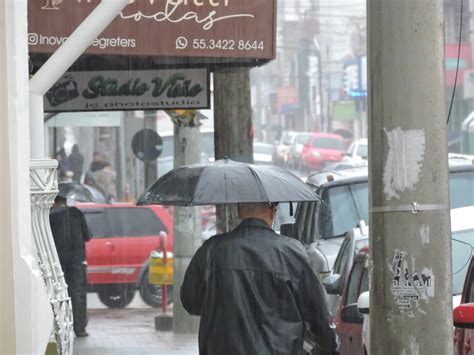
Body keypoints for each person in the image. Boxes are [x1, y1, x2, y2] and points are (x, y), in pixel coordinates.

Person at [181, 202, 337, 355]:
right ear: (272, 210)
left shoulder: (212, 250)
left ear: (239, 210)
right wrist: (329, 347)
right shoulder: (292, 253)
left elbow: (190, 302)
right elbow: (319, 314)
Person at [49, 195, 91, 337]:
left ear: (54, 202)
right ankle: (80, 329)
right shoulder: (76, 213)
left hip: (57, 260)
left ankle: (60, 327)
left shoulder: (51, 216)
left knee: (58, 294)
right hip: (77, 260)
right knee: (78, 293)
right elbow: (88, 236)